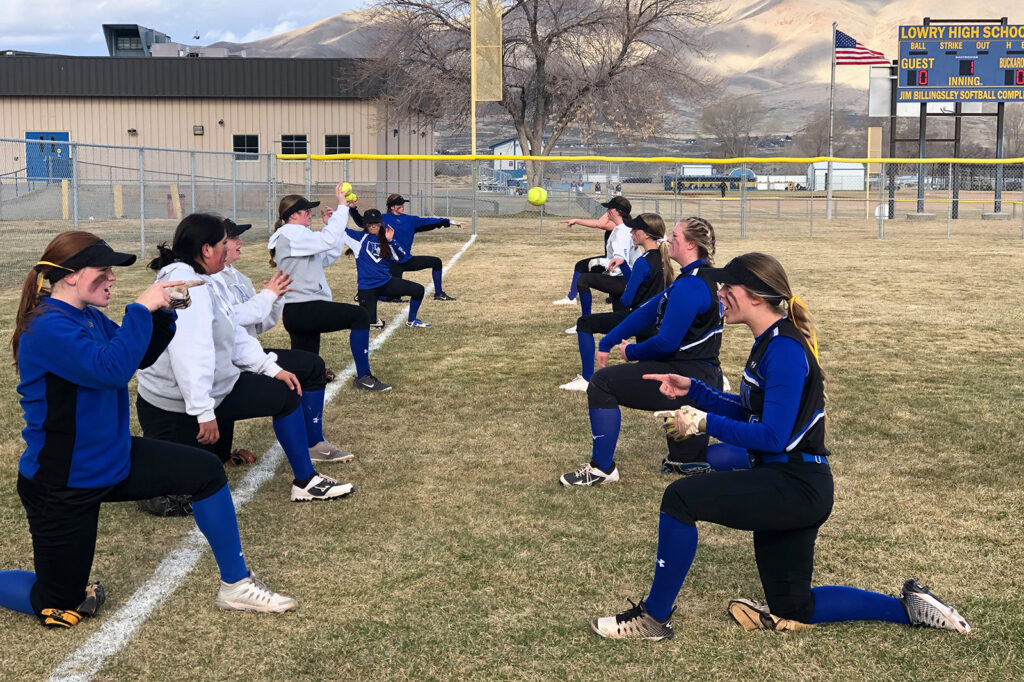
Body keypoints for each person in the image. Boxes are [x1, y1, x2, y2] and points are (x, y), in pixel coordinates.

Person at [590, 252, 971, 640]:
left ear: (755, 296)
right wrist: (696, 393)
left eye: (728, 286)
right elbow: (751, 410)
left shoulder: (785, 349)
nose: (719, 292)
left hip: (795, 485)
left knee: (680, 498)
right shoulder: (771, 341)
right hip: (791, 483)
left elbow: (774, 435)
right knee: (793, 606)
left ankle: (654, 618)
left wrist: (703, 423)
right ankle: (910, 608)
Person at [0, 231, 296, 627]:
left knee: (206, 472)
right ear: (70, 276)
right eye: (102, 270)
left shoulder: (86, 316)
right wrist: (141, 306)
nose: (112, 278)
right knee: (59, 603)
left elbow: (136, 356)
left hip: (112, 457)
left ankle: (236, 585)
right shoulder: (46, 328)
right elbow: (112, 369)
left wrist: (163, 313)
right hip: (63, 483)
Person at [136, 213, 354, 506]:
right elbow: (190, 352)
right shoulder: (185, 283)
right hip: (172, 404)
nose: (229, 248)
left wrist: (271, 369)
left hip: (205, 389)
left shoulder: (204, 279)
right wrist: (204, 411)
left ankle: (306, 481)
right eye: (224, 243)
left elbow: (232, 332)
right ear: (206, 249)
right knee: (175, 493)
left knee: (284, 392)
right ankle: (306, 480)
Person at [558, 217, 723, 487]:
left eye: (676, 236)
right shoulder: (695, 277)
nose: (669, 240)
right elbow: (648, 311)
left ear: (691, 244)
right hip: (701, 375)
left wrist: (632, 351)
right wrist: (609, 340)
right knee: (687, 462)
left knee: (601, 383)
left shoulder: (691, 285)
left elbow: (666, 343)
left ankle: (602, 469)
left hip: (687, 379)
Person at [211, 217, 354, 463]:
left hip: (246, 354)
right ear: (215, 245)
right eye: (232, 238)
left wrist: (276, 300)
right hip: (225, 362)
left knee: (312, 364)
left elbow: (259, 324)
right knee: (288, 388)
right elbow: (233, 318)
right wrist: (267, 297)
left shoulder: (240, 279)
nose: (239, 242)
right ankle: (221, 454)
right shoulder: (210, 280)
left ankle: (314, 443)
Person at [269, 187, 390, 391]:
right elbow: (328, 240)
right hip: (303, 308)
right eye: (306, 211)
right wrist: (342, 207)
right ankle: (363, 377)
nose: (311, 213)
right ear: (293, 215)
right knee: (360, 316)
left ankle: (293, 397)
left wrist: (330, 225)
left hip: (299, 310)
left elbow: (326, 256)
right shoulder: (291, 233)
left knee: (307, 369)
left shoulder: (297, 235)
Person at [559, 212, 673, 391]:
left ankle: (587, 379)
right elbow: (642, 284)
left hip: (639, 319)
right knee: (651, 370)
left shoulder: (643, 262)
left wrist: (619, 289)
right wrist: (624, 266)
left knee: (584, 323)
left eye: (635, 229)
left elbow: (627, 300)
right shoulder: (662, 257)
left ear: (645, 234)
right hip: (655, 319)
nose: (631, 232)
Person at [359, 194, 459, 301]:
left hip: (407, 259)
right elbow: (362, 222)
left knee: (436, 262)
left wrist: (448, 222)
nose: (402, 206)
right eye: (399, 204)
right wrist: (352, 208)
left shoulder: (410, 219)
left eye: (403, 204)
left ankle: (439, 294)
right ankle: (367, 295)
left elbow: (428, 221)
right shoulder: (383, 219)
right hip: (392, 263)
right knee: (394, 298)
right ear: (392, 207)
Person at [344, 208, 432, 328]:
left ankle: (411, 321)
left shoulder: (387, 239)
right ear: (365, 224)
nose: (373, 225)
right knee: (370, 325)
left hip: (386, 283)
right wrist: (331, 221)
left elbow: (401, 257)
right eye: (370, 223)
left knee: (418, 290)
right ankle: (366, 306)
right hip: (367, 288)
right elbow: (339, 231)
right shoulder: (359, 238)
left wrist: (391, 241)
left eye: (376, 223)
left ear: (381, 224)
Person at [552, 196, 637, 309]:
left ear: (617, 211)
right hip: (615, 262)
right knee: (583, 267)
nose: (606, 212)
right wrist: (576, 221)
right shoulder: (621, 226)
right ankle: (574, 297)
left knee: (584, 273)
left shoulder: (622, 225)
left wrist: (612, 212)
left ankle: (572, 299)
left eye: (609, 209)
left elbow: (600, 224)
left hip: (620, 267)